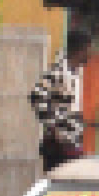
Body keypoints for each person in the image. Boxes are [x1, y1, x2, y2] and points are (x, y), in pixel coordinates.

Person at [29, 30, 89, 173]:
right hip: (58, 144)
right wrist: (54, 125)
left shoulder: (77, 73)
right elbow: (37, 96)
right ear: (79, 50)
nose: (89, 54)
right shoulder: (57, 71)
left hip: (73, 140)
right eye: (87, 49)